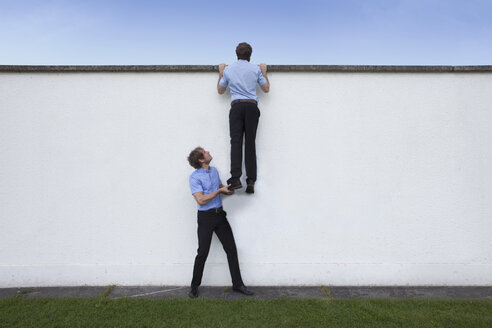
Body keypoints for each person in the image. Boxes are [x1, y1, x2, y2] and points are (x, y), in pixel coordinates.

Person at [187, 147, 254, 298]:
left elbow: (219, 187)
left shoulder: (214, 171)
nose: (208, 151)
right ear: (201, 160)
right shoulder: (194, 177)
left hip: (220, 216)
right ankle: (194, 286)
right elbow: (201, 200)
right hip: (205, 218)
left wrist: (228, 189)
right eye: (205, 152)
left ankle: (238, 285)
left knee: (232, 250)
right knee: (202, 253)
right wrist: (219, 192)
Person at [218, 42, 270, 194]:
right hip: (252, 106)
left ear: (236, 54)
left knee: (236, 142)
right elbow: (266, 89)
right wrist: (264, 72)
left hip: (237, 106)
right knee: (250, 143)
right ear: (250, 55)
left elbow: (220, 90)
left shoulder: (229, 69)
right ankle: (251, 180)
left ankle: (235, 178)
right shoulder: (255, 69)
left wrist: (221, 72)